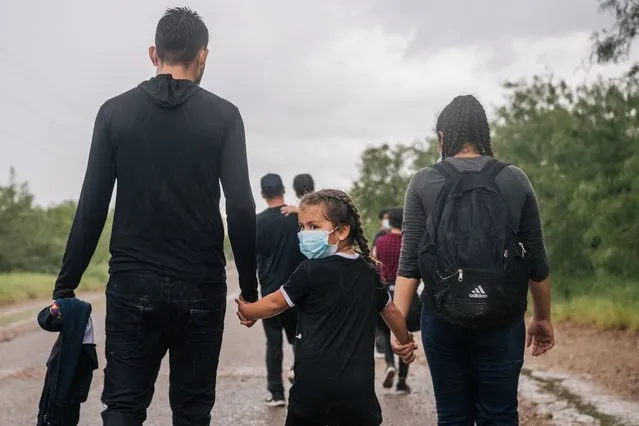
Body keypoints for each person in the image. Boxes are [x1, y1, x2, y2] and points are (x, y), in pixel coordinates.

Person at [51, 7, 258, 426]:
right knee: (193, 409)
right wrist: (250, 289)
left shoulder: (114, 112)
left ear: (153, 53)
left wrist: (66, 285)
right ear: (202, 56)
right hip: (200, 285)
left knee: (124, 406)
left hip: (132, 284)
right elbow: (240, 205)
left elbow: (93, 203)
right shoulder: (224, 115)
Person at [392, 94, 555, 425]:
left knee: (453, 416)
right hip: (503, 316)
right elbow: (536, 260)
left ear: (443, 137)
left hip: (442, 316)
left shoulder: (424, 182)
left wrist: (400, 329)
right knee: (500, 414)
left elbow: (408, 265)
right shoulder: (515, 179)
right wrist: (541, 318)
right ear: (484, 133)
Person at [236, 189, 416, 426]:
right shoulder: (367, 272)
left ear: (342, 231)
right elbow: (391, 312)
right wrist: (403, 341)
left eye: (313, 227)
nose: (304, 234)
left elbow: (273, 304)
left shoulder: (310, 271)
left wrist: (248, 311)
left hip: (312, 392)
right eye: (301, 227)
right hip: (357, 394)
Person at [256, 173, 306, 407]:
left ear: (263, 194)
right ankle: (303, 389)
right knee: (300, 341)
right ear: (284, 189)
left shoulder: (257, 222)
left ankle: (276, 394)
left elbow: (251, 258)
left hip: (270, 293)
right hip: (298, 291)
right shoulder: (297, 217)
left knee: (273, 345)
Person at [375, 207, 413, 394]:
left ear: (390, 222)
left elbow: (375, 264)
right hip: (404, 293)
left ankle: (390, 363)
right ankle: (402, 380)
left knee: (385, 329)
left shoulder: (380, 242)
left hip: (385, 292)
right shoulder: (409, 243)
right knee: (402, 334)